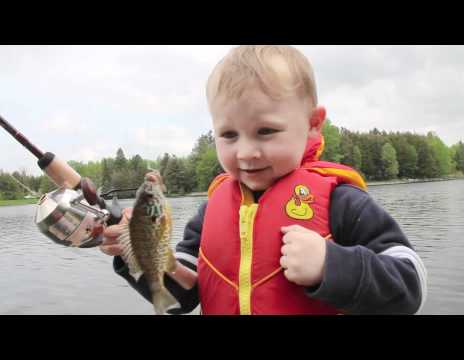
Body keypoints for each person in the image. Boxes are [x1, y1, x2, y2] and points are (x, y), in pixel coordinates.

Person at [100, 45, 427, 315]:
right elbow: (182, 297)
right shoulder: (210, 210)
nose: (245, 152)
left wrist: (332, 265)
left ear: (313, 125)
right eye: (228, 135)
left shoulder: (343, 202)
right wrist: (136, 255)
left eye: (266, 131)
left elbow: (411, 287)